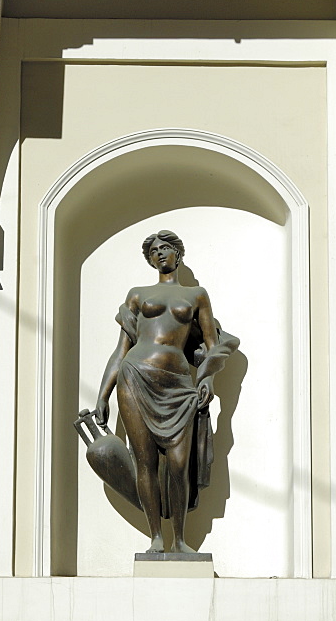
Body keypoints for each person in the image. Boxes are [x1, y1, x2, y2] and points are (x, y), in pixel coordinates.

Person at [94, 230, 238, 554]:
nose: (159, 254)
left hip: (177, 384)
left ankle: (181, 540)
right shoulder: (137, 294)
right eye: (154, 251)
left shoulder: (196, 295)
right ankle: (156, 537)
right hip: (134, 375)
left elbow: (214, 348)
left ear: (178, 254)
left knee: (178, 464)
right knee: (144, 461)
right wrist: (103, 395)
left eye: (165, 248)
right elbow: (120, 351)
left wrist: (208, 380)